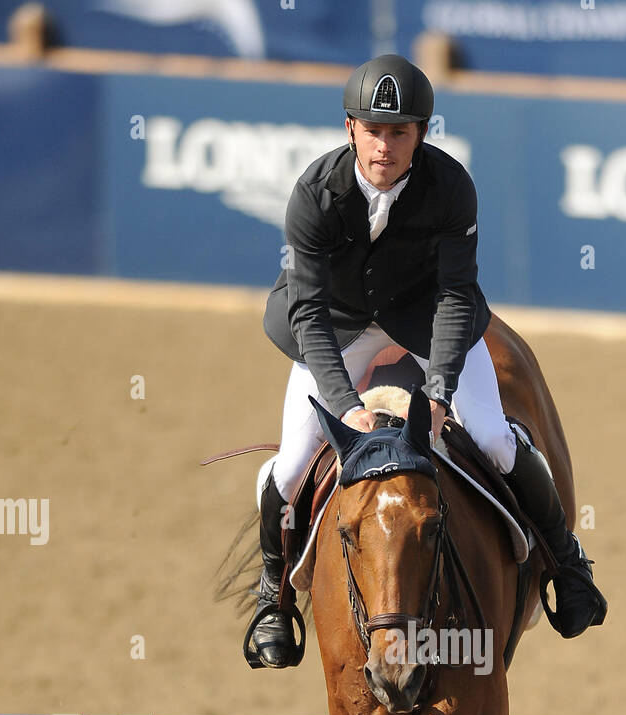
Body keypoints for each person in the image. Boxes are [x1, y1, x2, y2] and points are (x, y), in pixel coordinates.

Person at [250, 53, 606, 668]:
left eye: (400, 131)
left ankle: (566, 563)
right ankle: (273, 598)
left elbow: (454, 295)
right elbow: (308, 317)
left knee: (493, 439)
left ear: (421, 133)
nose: (385, 145)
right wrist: (345, 407)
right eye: (373, 130)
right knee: (287, 471)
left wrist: (438, 393)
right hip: (335, 328)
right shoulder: (313, 194)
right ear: (350, 128)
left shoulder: (450, 188)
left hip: (424, 319)